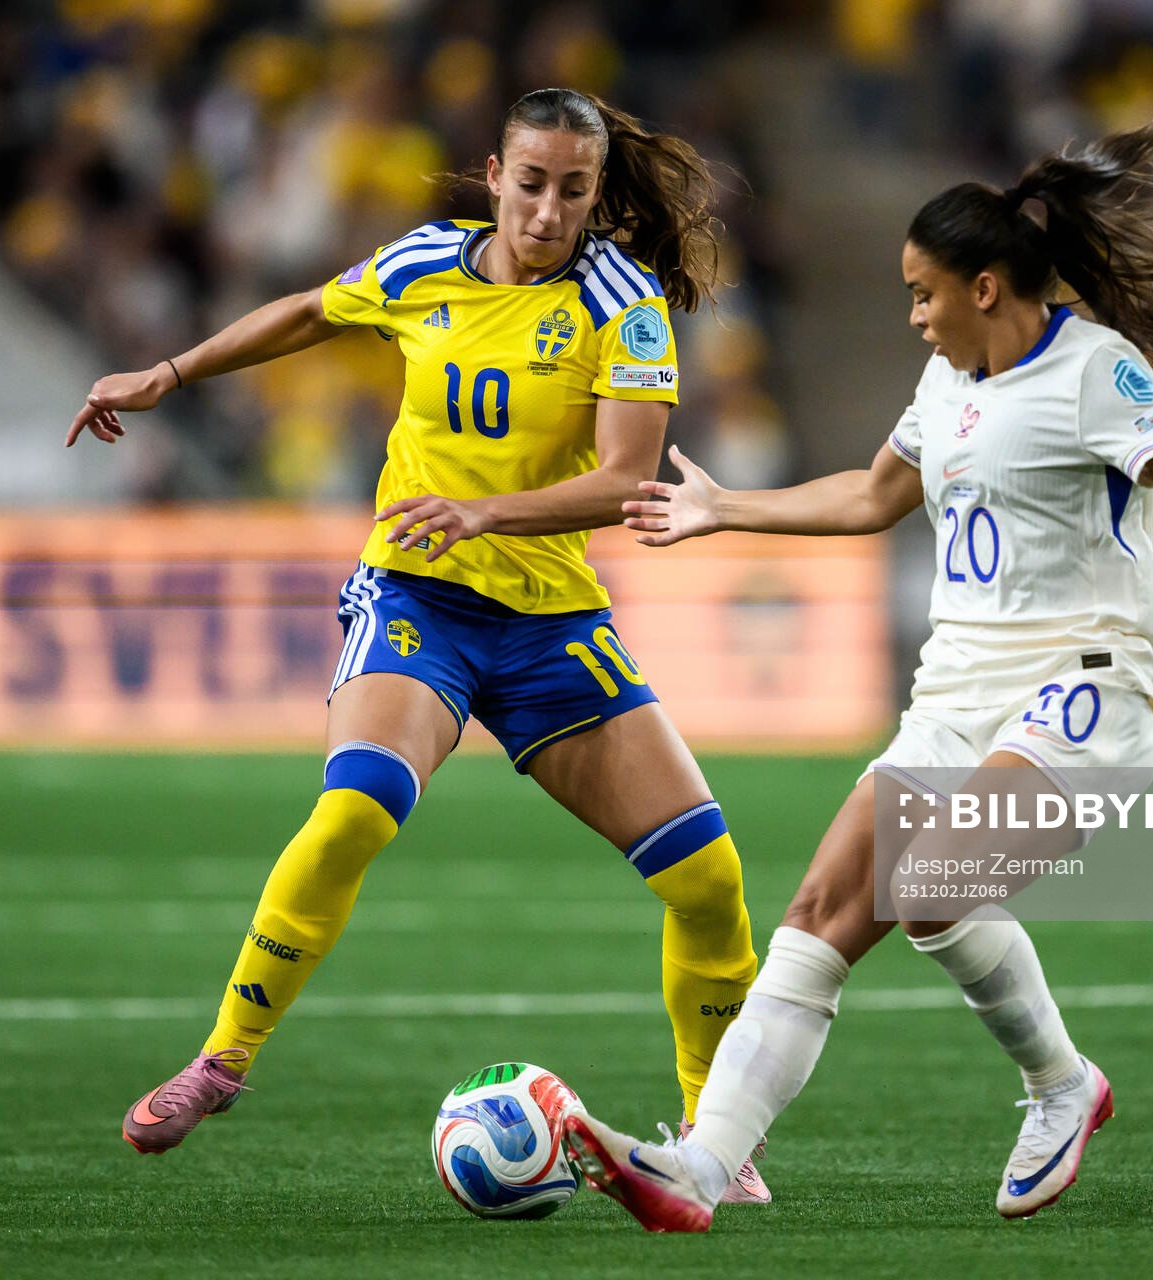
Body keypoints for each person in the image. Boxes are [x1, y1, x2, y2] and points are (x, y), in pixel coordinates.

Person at [561, 104, 1153, 1231]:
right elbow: (870, 493)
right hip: (954, 694)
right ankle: (699, 1166)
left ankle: (1063, 1084)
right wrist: (723, 508)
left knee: (939, 887)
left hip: (1083, 690)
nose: (912, 316)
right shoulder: (949, 386)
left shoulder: (1098, 369)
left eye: (923, 292)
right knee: (819, 909)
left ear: (987, 286)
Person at [66, 88, 771, 1203]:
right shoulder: (423, 263)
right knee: (355, 806)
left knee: (709, 878)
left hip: (550, 622)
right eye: (531, 183)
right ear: (494, 173)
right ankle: (222, 1059)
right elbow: (308, 312)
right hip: (418, 600)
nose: (547, 210)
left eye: (573, 190)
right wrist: (172, 373)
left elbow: (625, 476)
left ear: (595, 194)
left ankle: (712, 1142)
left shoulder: (625, 306)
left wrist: (491, 512)